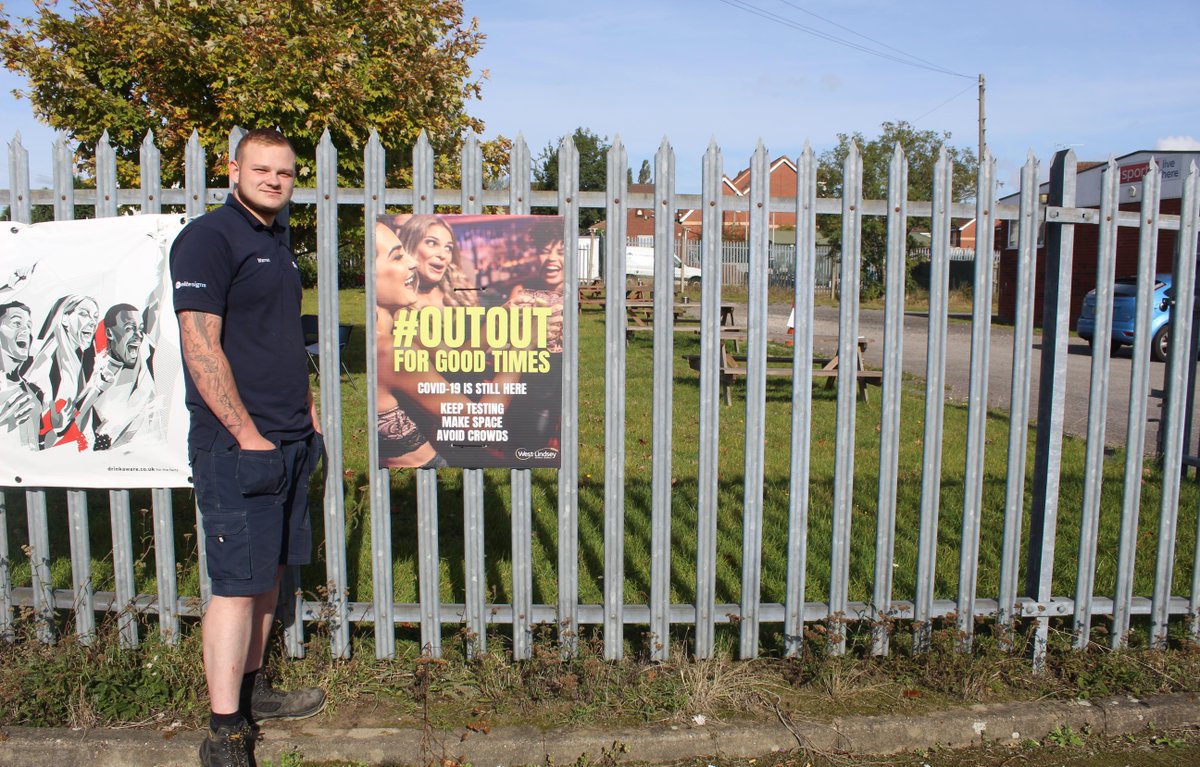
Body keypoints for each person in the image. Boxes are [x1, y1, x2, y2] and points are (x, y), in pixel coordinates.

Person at [170, 128, 325, 767]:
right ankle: (224, 731)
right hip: (239, 446)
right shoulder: (209, 239)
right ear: (233, 170)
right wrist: (248, 435)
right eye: (261, 170)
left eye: (284, 173)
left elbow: (276, 337)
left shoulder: (276, 240)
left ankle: (254, 693)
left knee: (269, 576)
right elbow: (200, 347)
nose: (274, 181)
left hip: (289, 437)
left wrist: (306, 413)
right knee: (236, 587)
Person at [373, 222, 446, 468]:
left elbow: (452, 355)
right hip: (427, 473)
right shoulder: (392, 350)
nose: (412, 263)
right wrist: (525, 345)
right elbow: (473, 422)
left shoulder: (393, 332)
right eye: (397, 256)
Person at [26, 294, 100, 449]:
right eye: (84, 314)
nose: (92, 322)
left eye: (95, 317)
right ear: (65, 319)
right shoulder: (49, 362)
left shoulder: (79, 360)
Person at [394, 214, 477, 308]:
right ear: (410, 245)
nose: (443, 255)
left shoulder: (460, 292)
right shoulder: (393, 300)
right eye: (432, 243)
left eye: (448, 248)